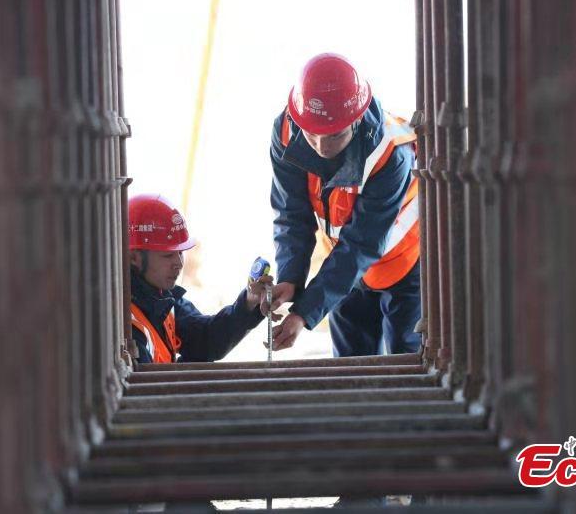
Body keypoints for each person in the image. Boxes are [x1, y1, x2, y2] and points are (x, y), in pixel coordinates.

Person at [265, 53, 421, 357]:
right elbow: (291, 215)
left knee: (406, 363)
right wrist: (290, 278)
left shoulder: (391, 154)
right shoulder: (286, 132)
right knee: (351, 365)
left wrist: (304, 313)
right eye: (312, 134)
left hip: (405, 264)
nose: (322, 147)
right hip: (341, 266)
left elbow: (362, 243)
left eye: (335, 135)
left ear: (357, 120)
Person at [128, 193, 270, 363]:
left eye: (180, 253)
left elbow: (206, 340)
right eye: (167, 255)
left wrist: (248, 303)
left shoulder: (162, 299)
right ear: (134, 258)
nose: (179, 263)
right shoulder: (124, 324)